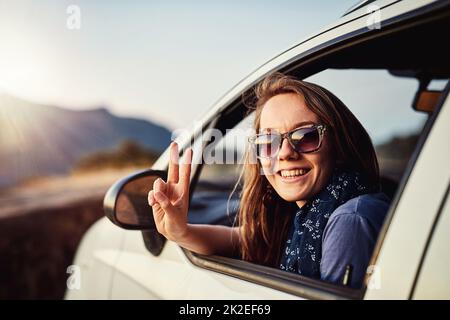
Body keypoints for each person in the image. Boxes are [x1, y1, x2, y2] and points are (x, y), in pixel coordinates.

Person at [147, 72, 389, 288]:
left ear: (340, 145)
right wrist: (180, 231)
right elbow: (246, 239)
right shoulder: (310, 214)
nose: (285, 153)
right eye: (268, 142)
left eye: (306, 136)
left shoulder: (349, 221)